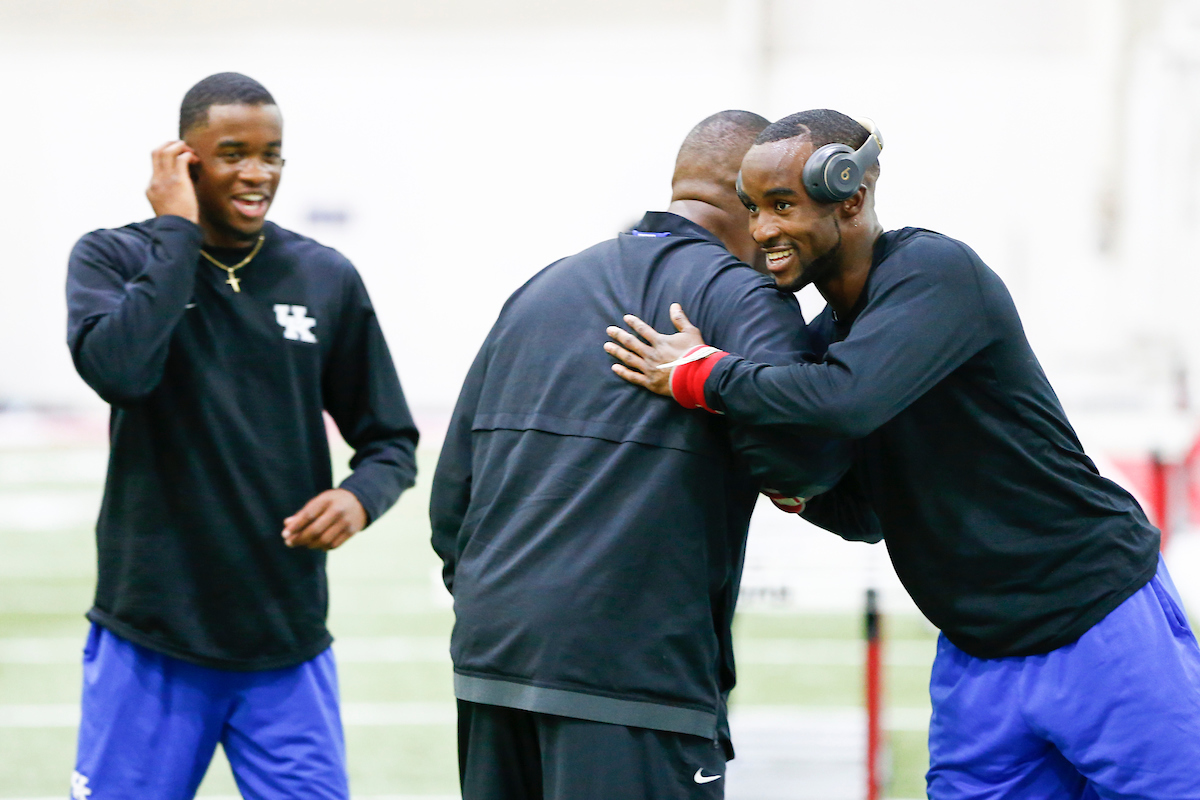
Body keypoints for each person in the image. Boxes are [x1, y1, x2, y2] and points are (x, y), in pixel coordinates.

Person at [605, 108, 1200, 799]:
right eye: (753, 209)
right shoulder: (829, 338)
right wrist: (802, 489)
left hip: (1099, 625)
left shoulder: (935, 273)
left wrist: (702, 374)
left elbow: (845, 402)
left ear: (852, 195)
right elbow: (868, 515)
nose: (762, 231)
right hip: (976, 653)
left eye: (782, 205)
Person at [430, 110, 859, 800]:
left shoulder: (540, 287)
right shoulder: (743, 297)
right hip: (633, 685)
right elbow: (809, 460)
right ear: (751, 198)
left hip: (491, 667)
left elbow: (452, 500)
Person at [64, 72, 418, 799]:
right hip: (151, 637)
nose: (258, 174)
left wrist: (358, 499)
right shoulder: (114, 258)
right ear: (182, 160)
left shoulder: (324, 277)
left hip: (284, 641)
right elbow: (123, 373)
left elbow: (391, 440)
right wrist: (175, 232)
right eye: (233, 153)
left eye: (273, 155)